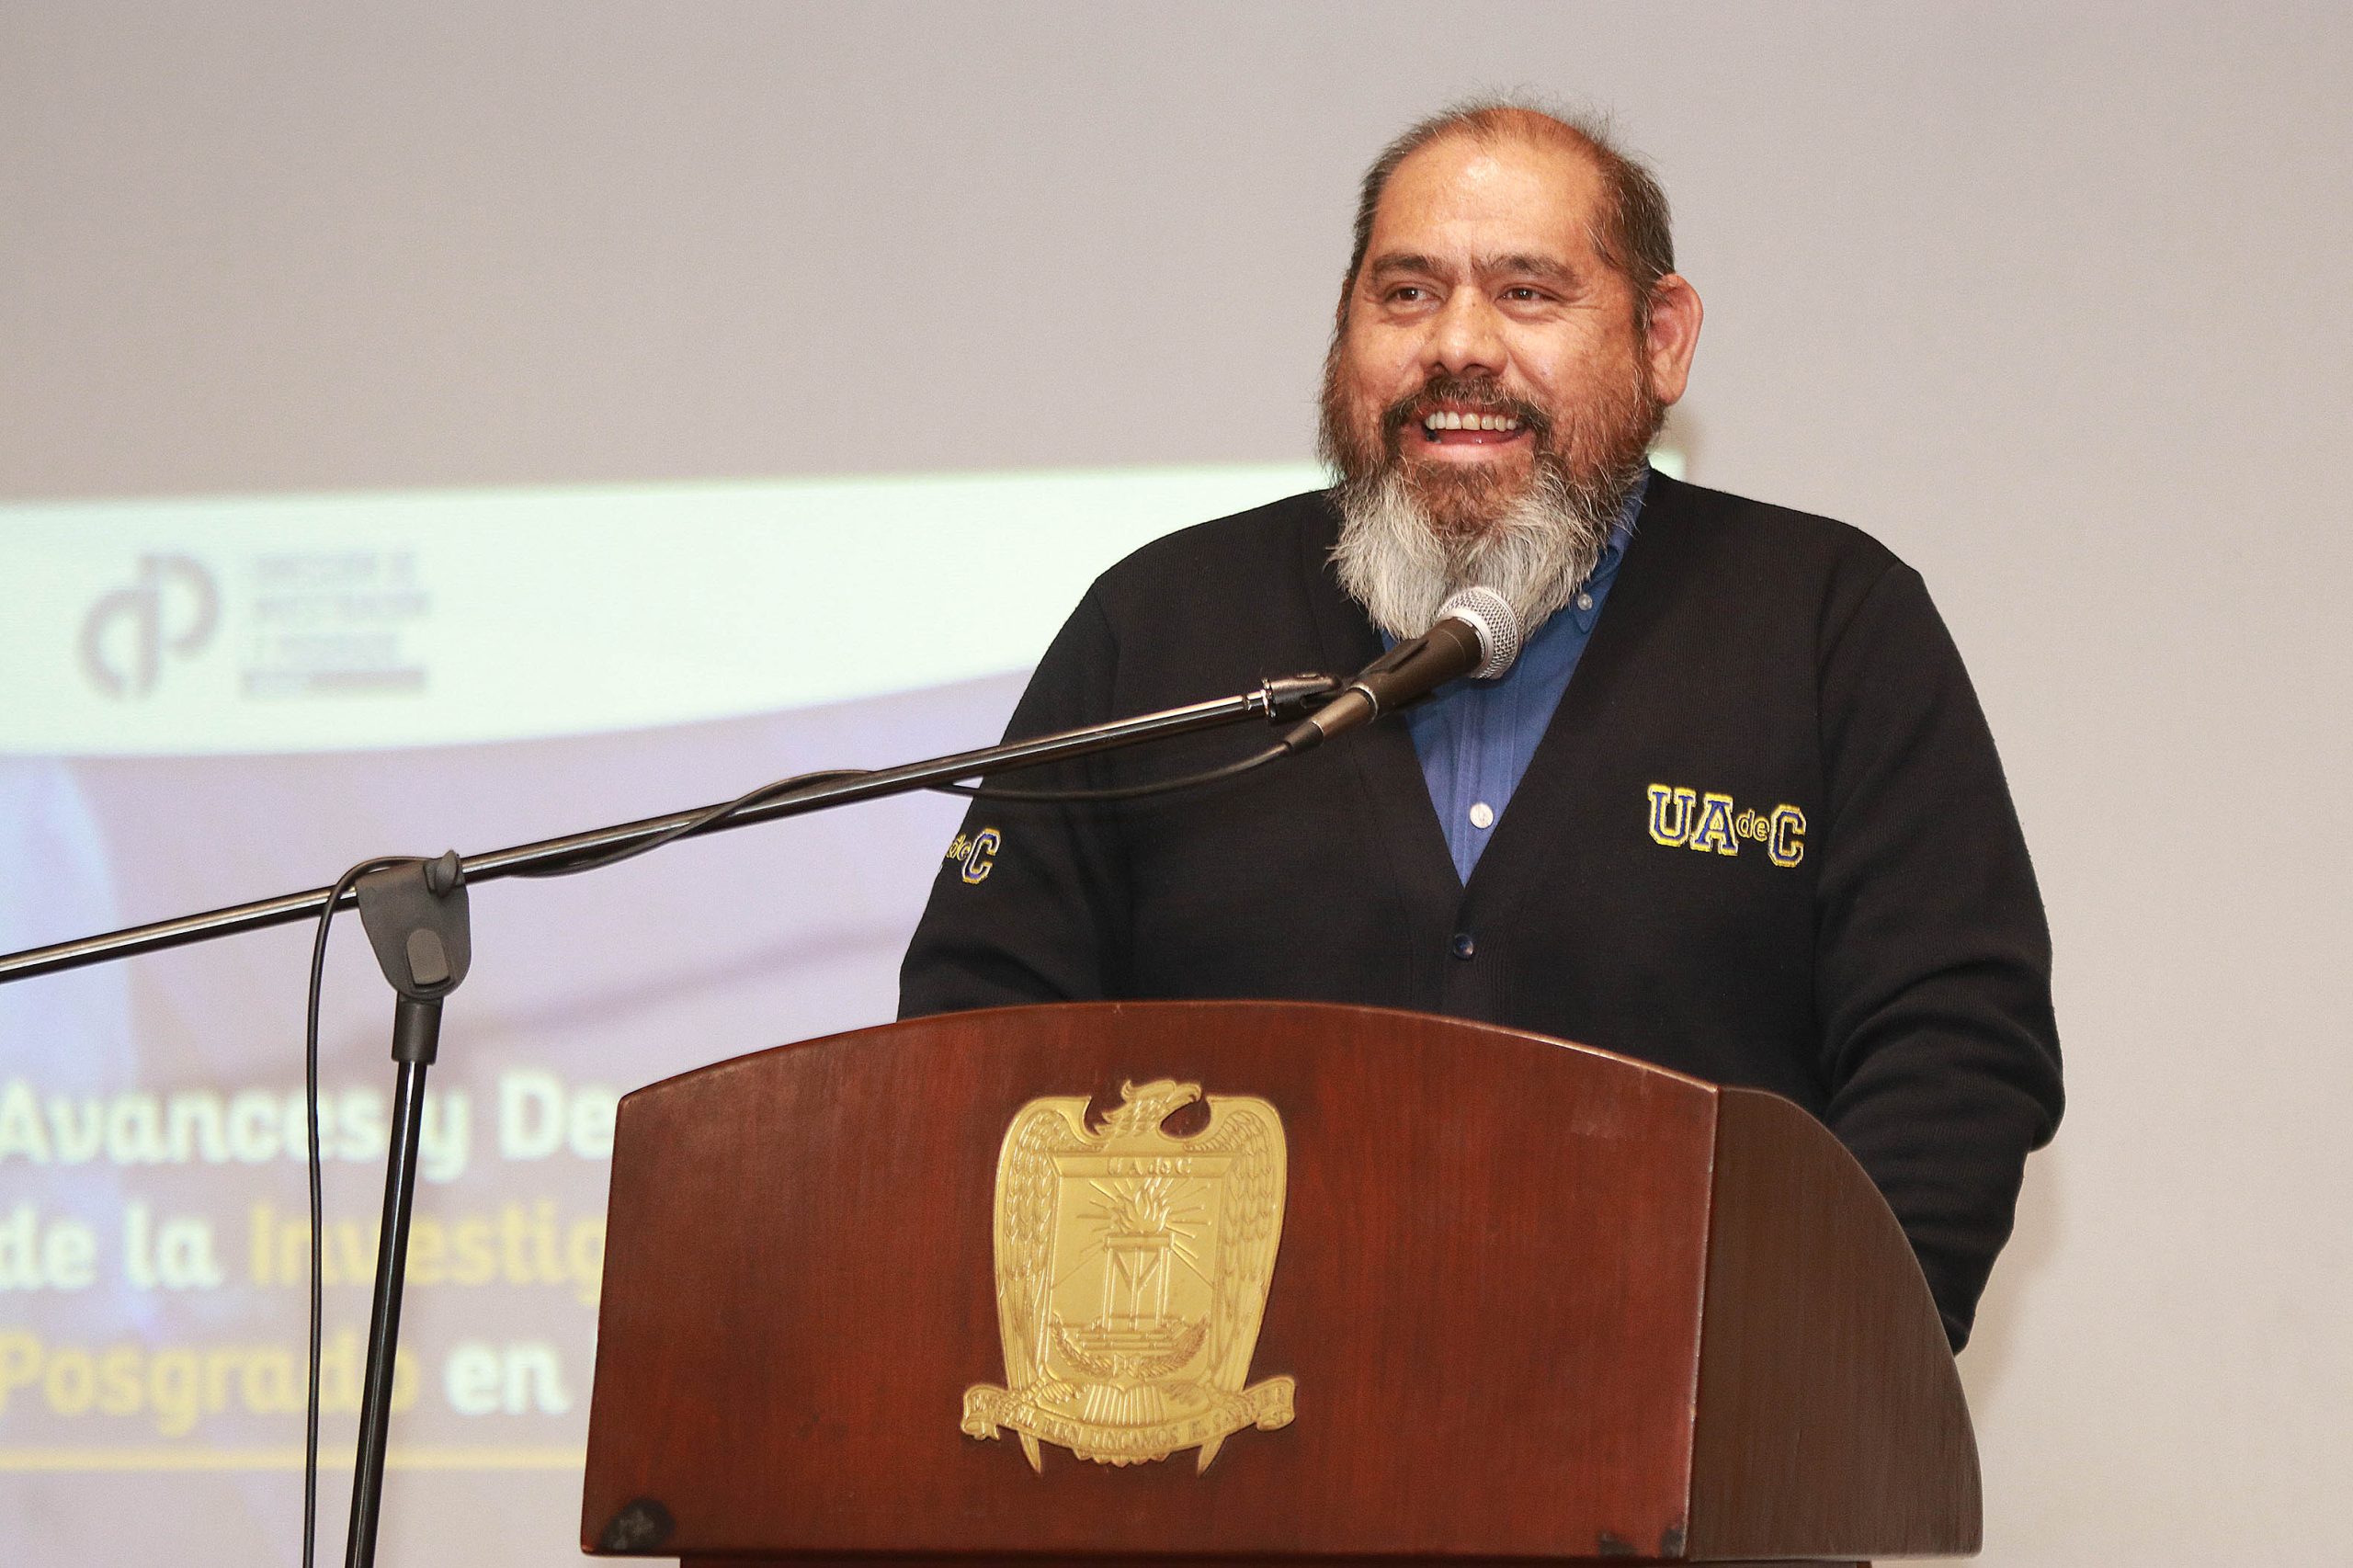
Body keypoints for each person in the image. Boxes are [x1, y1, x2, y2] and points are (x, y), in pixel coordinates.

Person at [899, 100, 2062, 1351]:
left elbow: (1955, 1048)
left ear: (1662, 340)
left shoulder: (1830, 623)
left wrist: (1814, 1376)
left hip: (1683, 1434)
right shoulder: (1161, 622)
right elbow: (979, 1030)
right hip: (1221, 1432)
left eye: (1527, 294)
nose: (1458, 345)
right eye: (1407, 294)